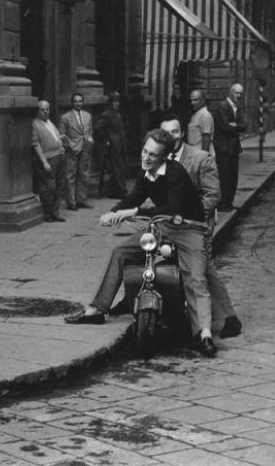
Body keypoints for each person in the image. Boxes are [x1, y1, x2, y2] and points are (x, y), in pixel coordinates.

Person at [64, 128, 217, 357]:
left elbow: (172, 207)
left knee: (195, 277)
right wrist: (113, 212)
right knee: (121, 252)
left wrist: (133, 212)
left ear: (165, 156)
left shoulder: (175, 172)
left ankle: (204, 334)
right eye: (145, 151)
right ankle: (96, 309)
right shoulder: (146, 173)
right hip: (162, 226)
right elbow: (134, 197)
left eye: (153, 154)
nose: (146, 157)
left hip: (189, 228)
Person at [110, 116, 242, 338]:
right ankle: (133, 298)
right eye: (165, 132)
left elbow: (212, 195)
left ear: (181, 133)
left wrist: (186, 217)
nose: (171, 136)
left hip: (194, 222)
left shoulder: (200, 157)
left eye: (174, 132)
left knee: (202, 271)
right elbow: (150, 193)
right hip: (166, 221)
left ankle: (229, 318)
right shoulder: (155, 161)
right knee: (140, 251)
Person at [32, 100, 67, 223]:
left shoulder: (50, 122)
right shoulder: (35, 124)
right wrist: (44, 162)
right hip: (48, 159)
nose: (46, 112)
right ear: (38, 111)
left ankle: (55, 212)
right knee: (49, 187)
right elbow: (35, 144)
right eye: (42, 110)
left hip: (59, 156)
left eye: (47, 109)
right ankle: (47, 213)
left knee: (59, 186)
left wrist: (60, 142)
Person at [214, 83, 246, 211]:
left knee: (233, 176)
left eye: (241, 93)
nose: (239, 95)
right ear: (231, 92)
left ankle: (229, 202)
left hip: (233, 147)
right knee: (224, 176)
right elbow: (225, 126)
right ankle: (223, 203)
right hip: (223, 147)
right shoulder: (223, 106)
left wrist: (235, 125)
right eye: (236, 92)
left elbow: (244, 126)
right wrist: (237, 126)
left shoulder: (238, 107)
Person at [60, 93, 94, 211]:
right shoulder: (65, 117)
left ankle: (81, 199)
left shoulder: (88, 116)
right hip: (72, 149)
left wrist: (90, 141)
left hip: (85, 148)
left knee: (84, 175)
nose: (78, 103)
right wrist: (68, 145)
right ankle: (71, 202)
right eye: (75, 101)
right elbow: (62, 134)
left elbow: (90, 129)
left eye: (80, 101)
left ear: (82, 102)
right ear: (72, 102)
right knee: (70, 176)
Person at [94, 90, 128, 198]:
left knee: (117, 168)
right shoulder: (107, 114)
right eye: (114, 101)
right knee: (118, 168)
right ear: (110, 102)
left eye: (118, 101)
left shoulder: (117, 114)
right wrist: (106, 138)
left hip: (119, 144)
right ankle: (122, 191)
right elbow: (97, 127)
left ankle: (112, 192)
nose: (117, 103)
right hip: (113, 145)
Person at [187, 89, 214, 154]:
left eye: (195, 100)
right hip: (194, 151)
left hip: (200, 151)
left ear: (203, 100)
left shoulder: (204, 115)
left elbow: (206, 138)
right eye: (191, 100)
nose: (192, 103)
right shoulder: (196, 114)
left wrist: (203, 156)